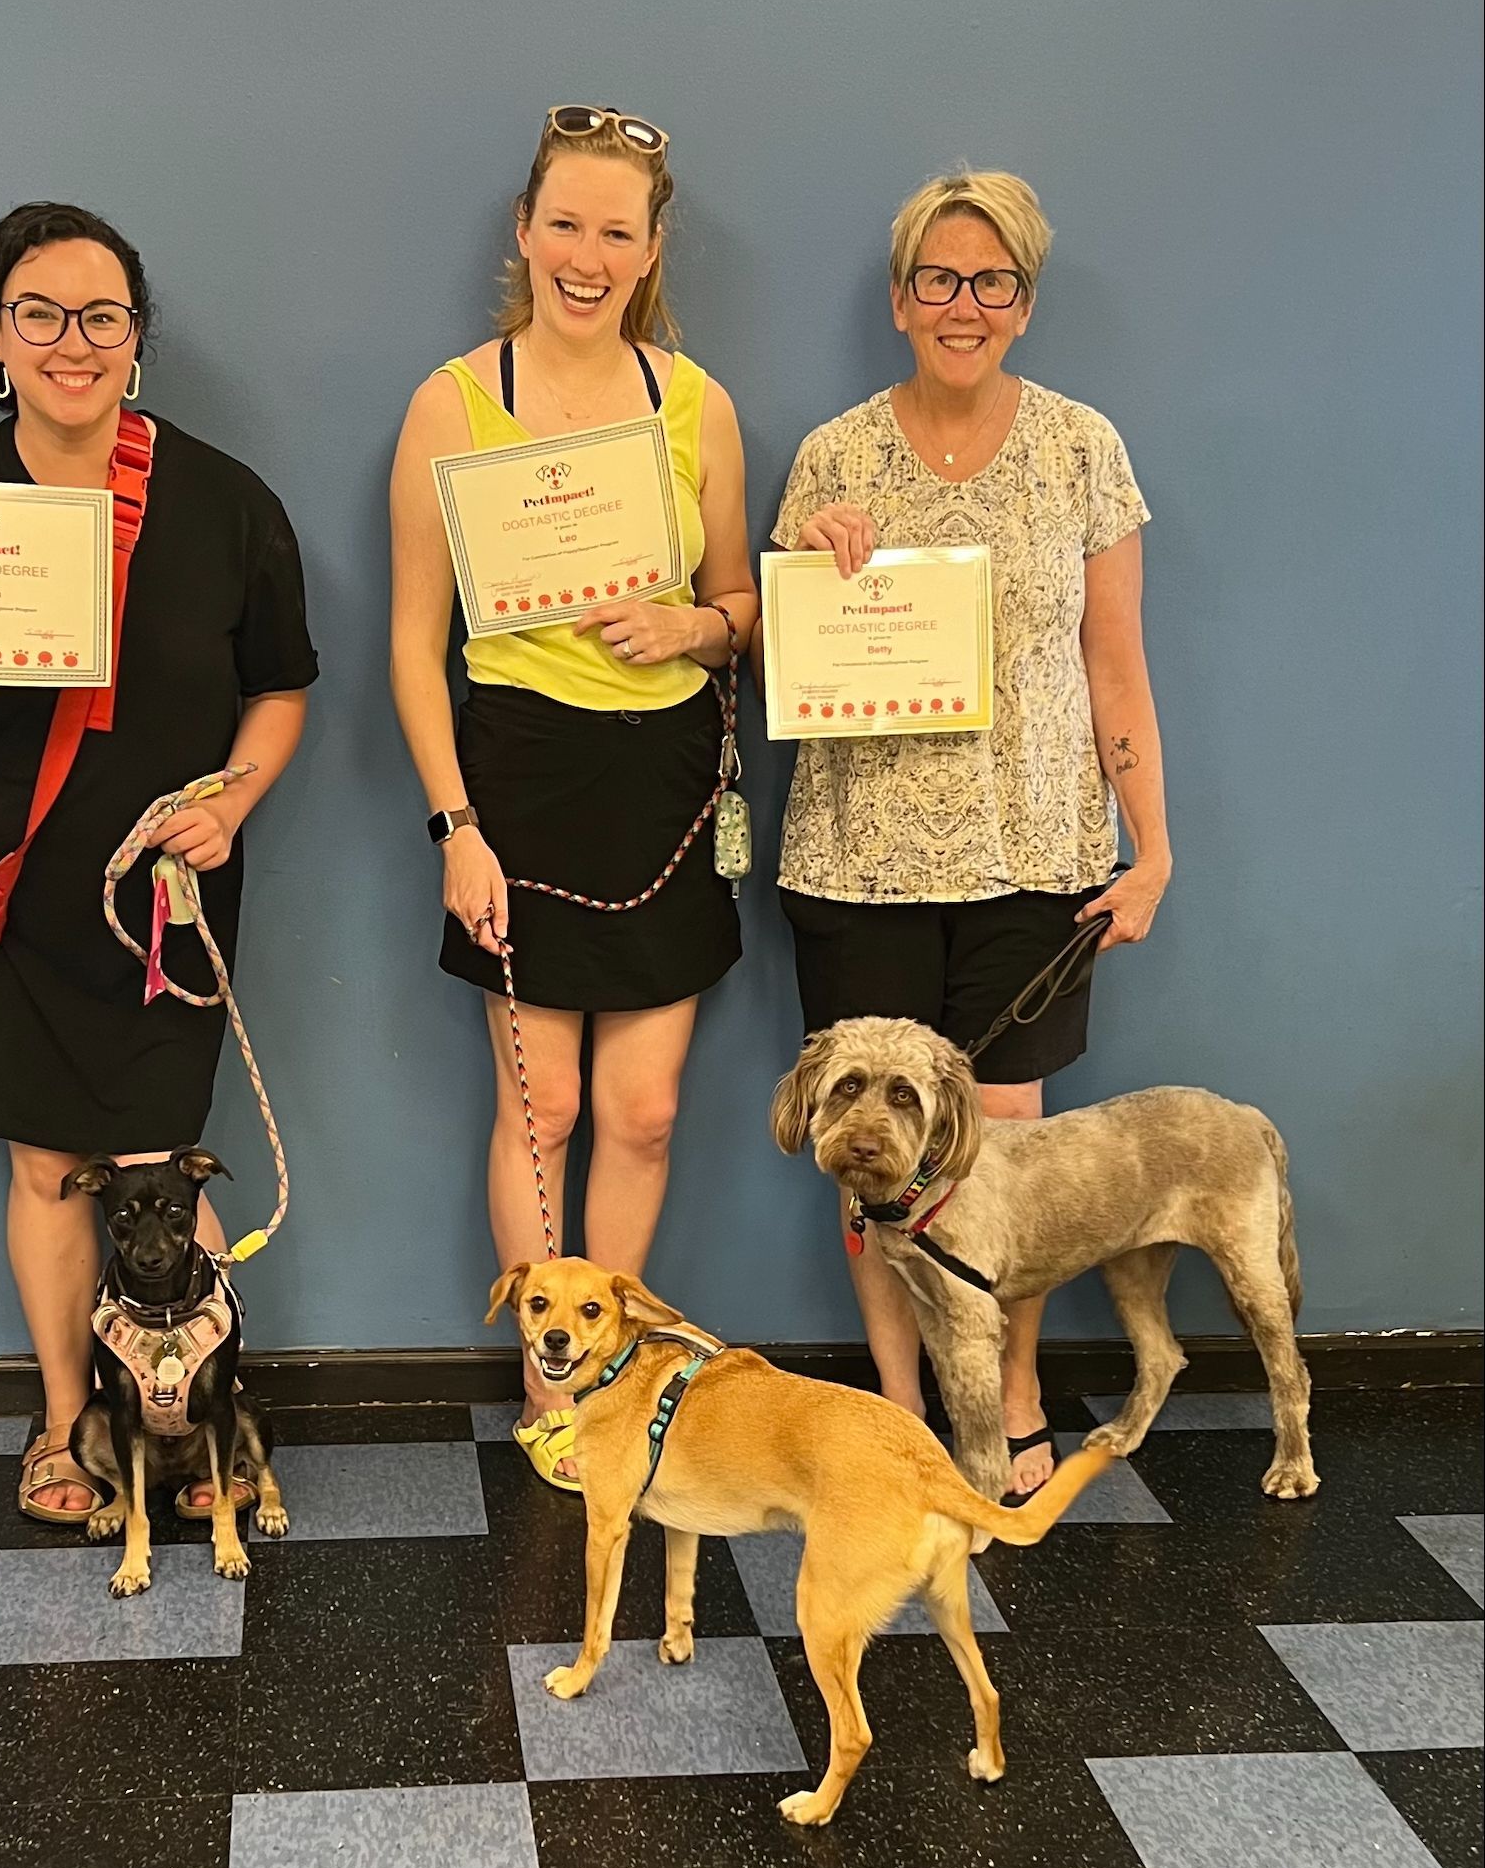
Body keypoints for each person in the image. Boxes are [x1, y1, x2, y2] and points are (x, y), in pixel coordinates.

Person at [0, 203, 317, 1518]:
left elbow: (280, 691)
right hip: (12, 899)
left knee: (159, 1165)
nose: (72, 342)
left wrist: (233, 801)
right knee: (42, 1167)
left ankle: (192, 1425)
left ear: (137, 339)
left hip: (168, 902)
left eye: (102, 316)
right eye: (39, 314)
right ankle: (63, 1428)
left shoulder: (224, 503)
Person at [772, 170, 1172, 1499]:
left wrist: (1151, 847)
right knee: (872, 1158)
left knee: (995, 1154)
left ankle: (1000, 1400)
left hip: (1036, 859)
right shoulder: (831, 456)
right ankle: (897, 1419)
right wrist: (809, 560)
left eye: (991, 281)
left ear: (1024, 302)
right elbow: (776, 652)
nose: (964, 303)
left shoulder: (1083, 449)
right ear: (899, 301)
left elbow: (1117, 665)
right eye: (938, 279)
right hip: (858, 863)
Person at [390, 106, 757, 1488]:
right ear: (523, 233)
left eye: (617, 230)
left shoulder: (697, 404)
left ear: (653, 249)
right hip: (517, 778)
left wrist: (697, 630)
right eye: (565, 224)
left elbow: (741, 609)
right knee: (541, 1106)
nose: (586, 256)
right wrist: (455, 826)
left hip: (662, 776)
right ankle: (547, 1384)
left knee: (646, 1108)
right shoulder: (452, 400)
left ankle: (608, 1386)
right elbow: (412, 647)